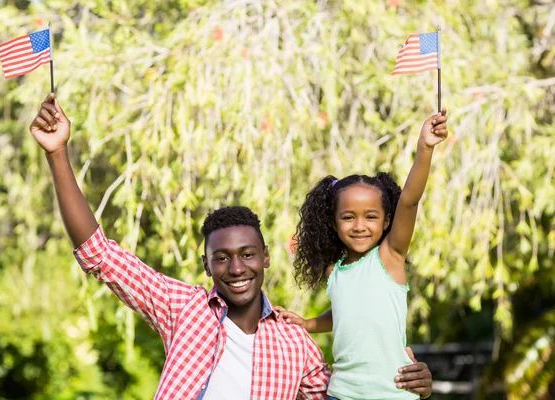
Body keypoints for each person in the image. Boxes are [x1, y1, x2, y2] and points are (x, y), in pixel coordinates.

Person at [29, 93, 434, 400]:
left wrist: (419, 385)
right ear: (206, 266)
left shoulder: (295, 343)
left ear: (266, 259)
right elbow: (98, 254)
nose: (237, 268)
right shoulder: (182, 310)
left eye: (247, 255)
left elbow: (356, 387)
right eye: (221, 258)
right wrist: (58, 154)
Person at [275, 110, 448, 399]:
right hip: (341, 393)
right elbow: (345, 314)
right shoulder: (337, 271)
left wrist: (425, 147)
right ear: (333, 222)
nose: (359, 226)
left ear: (387, 221)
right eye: (348, 217)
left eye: (370, 216)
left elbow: (409, 200)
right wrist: (308, 324)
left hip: (391, 392)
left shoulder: (389, 257)